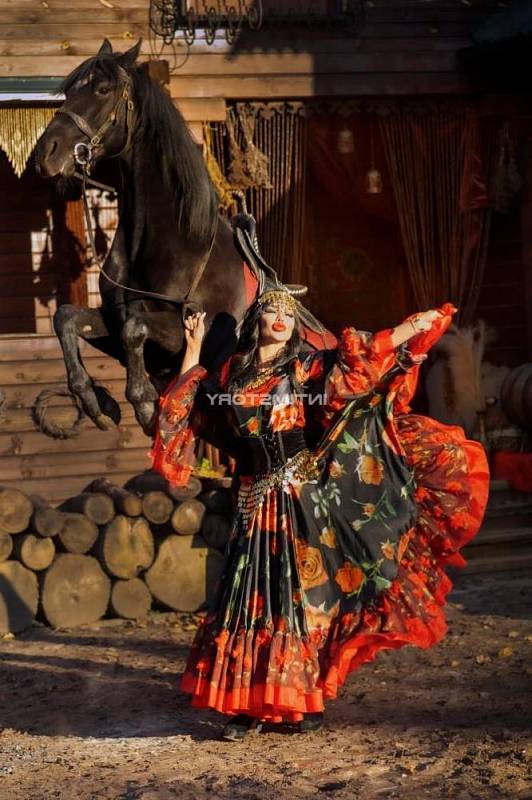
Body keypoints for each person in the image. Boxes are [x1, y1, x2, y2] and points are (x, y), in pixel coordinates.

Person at [150, 284, 489, 741]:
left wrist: (409, 328)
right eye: (272, 310)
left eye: (289, 314)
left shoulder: (304, 367)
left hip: (297, 496)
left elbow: (359, 364)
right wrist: (193, 347)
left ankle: (298, 699)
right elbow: (193, 404)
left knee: (295, 599)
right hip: (252, 498)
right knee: (250, 595)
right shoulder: (235, 371)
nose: (281, 319)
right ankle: (247, 706)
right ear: (257, 320)